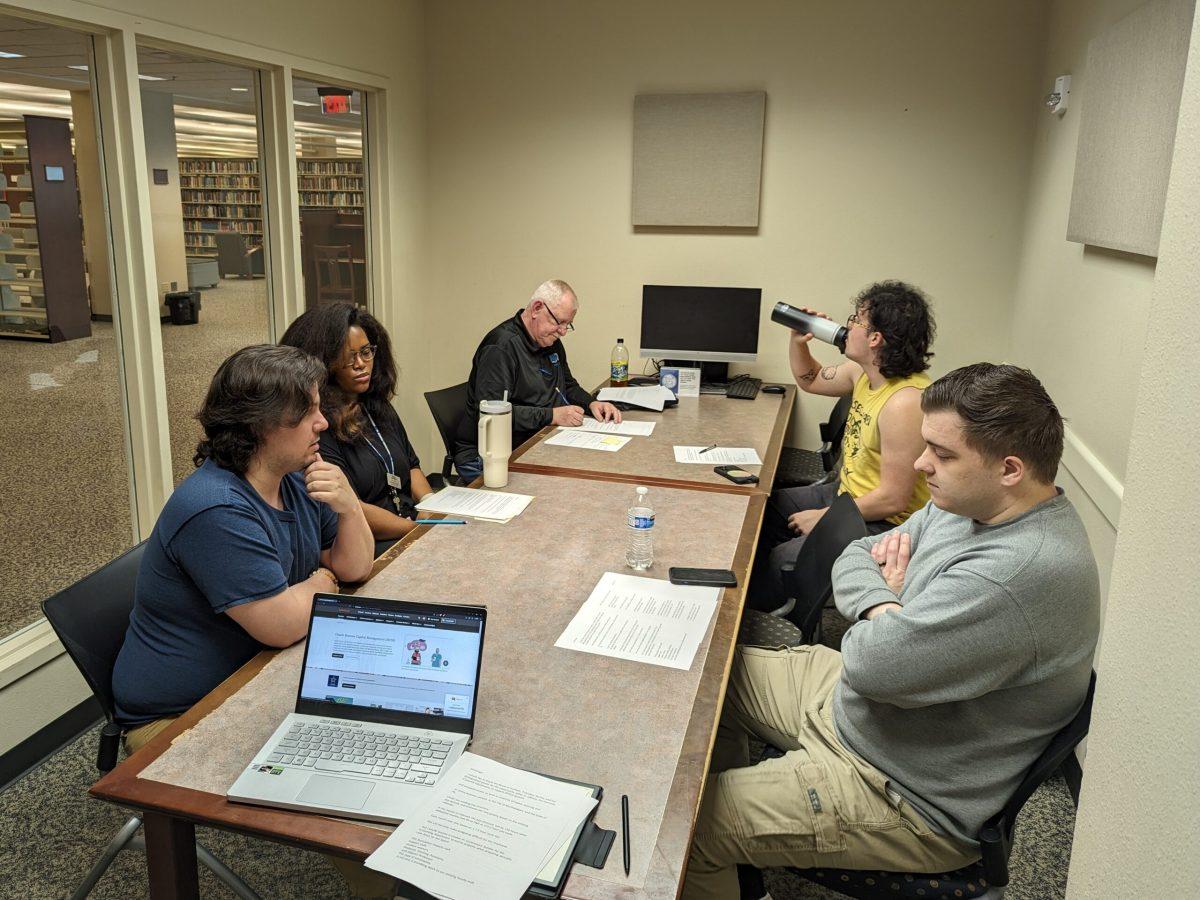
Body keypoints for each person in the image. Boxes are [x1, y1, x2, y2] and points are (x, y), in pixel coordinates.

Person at [682, 363, 1101, 900]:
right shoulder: (969, 502)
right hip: (868, 713)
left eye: (943, 454)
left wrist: (883, 615)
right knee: (710, 676)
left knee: (689, 820)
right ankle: (742, 867)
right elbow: (856, 551)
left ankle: (722, 854)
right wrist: (889, 606)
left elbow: (872, 665)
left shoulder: (1016, 574)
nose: (923, 465)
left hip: (903, 790)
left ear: (1011, 468)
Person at [112, 344, 374, 753]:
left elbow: (354, 567)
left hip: (258, 671)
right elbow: (282, 625)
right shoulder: (216, 507)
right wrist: (324, 579)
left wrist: (349, 508)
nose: (322, 423)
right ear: (261, 424)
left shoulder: (294, 478)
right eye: (307, 413)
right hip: (183, 711)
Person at [748, 280, 935, 612]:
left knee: (781, 559)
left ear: (875, 338)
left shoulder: (904, 403)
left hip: (886, 523)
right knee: (767, 506)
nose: (847, 326)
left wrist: (824, 518)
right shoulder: (863, 373)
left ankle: (764, 623)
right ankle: (770, 590)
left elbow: (894, 499)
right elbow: (811, 380)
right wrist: (798, 341)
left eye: (857, 320)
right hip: (846, 495)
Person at [280, 302, 434, 557]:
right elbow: (349, 506)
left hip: (411, 521)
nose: (361, 364)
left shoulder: (375, 404)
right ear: (324, 362)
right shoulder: (319, 427)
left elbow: (411, 463)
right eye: (349, 357)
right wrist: (414, 528)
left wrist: (430, 502)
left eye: (366, 352)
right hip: (368, 542)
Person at [453, 278, 622, 480]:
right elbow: (493, 416)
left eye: (568, 325)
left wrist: (591, 403)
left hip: (537, 439)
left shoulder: (549, 340)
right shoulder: (501, 348)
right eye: (559, 322)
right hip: (488, 457)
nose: (563, 332)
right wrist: (552, 416)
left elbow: (566, 385)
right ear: (536, 308)